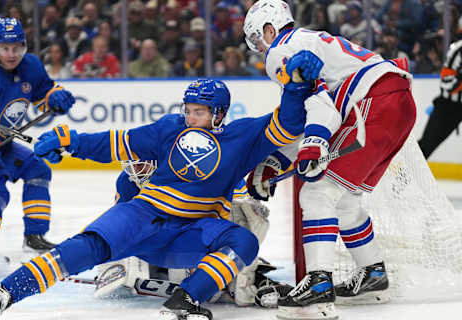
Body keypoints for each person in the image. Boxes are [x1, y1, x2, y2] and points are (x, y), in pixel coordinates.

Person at [0, 77, 335, 320]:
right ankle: (4, 294)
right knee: (86, 245)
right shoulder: (169, 128)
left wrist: (295, 87)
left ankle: (184, 300)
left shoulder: (241, 138)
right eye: (188, 110)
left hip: (192, 234)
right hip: (144, 216)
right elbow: (115, 142)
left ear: (219, 115)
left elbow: (287, 123)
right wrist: (70, 139)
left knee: (242, 239)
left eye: (199, 112)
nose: (190, 117)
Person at [243, 0, 416, 319]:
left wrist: (313, 142)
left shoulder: (281, 50)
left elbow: (317, 103)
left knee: (317, 193)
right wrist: (281, 162)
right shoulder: (310, 38)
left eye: (257, 39)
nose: (258, 50)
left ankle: (319, 282)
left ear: (270, 29)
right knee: (345, 199)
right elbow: (318, 106)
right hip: (397, 104)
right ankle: (373, 274)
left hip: (372, 104)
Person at [97, 159, 292, 308]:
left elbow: (234, 204)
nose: (136, 173)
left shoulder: (190, 169)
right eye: (132, 167)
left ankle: (245, 277)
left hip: (202, 228)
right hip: (165, 238)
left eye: (141, 166)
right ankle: (228, 281)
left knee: (248, 219)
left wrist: (246, 207)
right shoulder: (127, 182)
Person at [0, 18, 75, 270]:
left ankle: (34, 238)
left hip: (3, 143)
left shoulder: (31, 65)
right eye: (4, 48)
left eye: (17, 48)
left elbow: (44, 95)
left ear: (24, 45)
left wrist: (54, 98)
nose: (11, 54)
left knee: (37, 169)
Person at [418, 38, 462, 159]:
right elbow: (446, 81)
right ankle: (403, 175)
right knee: (426, 146)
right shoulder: (458, 50)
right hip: (450, 106)